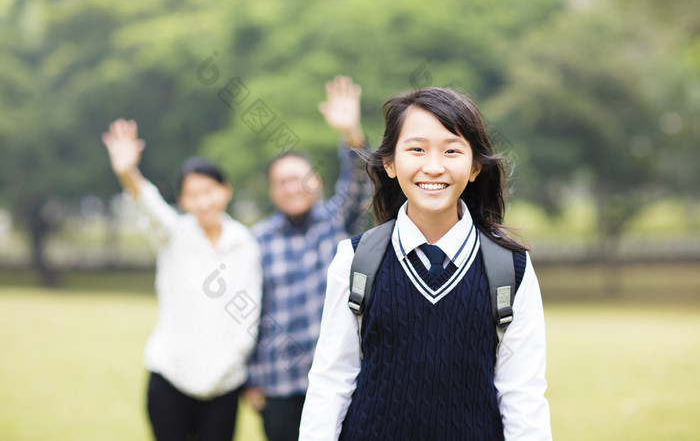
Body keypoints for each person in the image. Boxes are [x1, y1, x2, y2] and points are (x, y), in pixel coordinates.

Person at [299, 87, 552, 440]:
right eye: (416, 149)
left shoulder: (512, 269)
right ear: (389, 162)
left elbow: (522, 395)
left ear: (475, 166)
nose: (433, 167)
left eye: (451, 150)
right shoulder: (355, 260)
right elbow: (331, 382)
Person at [102, 119, 262, 441]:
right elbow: (149, 207)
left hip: (225, 383)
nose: (203, 202)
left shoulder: (243, 243)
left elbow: (249, 314)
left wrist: (228, 367)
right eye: (193, 194)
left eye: (209, 191)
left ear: (226, 191)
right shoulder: (174, 235)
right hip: (170, 376)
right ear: (183, 200)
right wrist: (127, 173)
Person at [243, 76, 372, 441]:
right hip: (280, 384)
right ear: (272, 191)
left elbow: (361, 181)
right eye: (281, 182)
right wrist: (251, 380)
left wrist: (351, 134)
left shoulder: (337, 221)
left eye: (298, 179)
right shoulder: (258, 241)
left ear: (315, 181)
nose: (290, 188)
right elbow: (249, 311)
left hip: (341, 378)